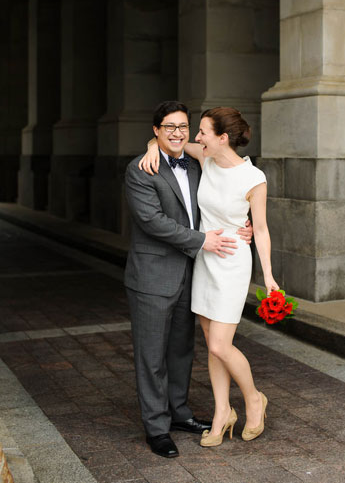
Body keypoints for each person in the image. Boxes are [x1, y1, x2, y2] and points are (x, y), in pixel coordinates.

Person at [139, 106, 278, 447]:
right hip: (204, 258)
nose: (195, 137)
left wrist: (270, 276)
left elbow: (259, 229)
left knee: (220, 344)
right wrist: (151, 148)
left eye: (202, 132)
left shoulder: (253, 178)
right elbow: (167, 140)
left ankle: (254, 399)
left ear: (222, 138)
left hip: (231, 262)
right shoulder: (205, 158)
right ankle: (221, 413)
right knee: (211, 347)